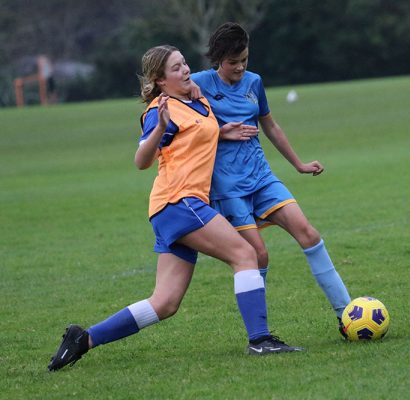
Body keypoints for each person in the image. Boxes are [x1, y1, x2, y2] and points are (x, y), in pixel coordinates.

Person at [48, 45, 302, 372]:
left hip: (173, 208)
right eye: (176, 68)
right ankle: (260, 340)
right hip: (180, 202)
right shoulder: (160, 110)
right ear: (160, 80)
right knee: (246, 254)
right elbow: (141, 160)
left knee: (165, 303)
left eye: (185, 64)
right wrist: (157, 128)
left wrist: (221, 131)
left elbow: (195, 136)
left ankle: (83, 339)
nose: (185, 70)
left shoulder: (196, 101)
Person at [190, 23, 352, 337]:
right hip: (226, 187)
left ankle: (346, 315)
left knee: (308, 233)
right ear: (217, 59)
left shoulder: (255, 82)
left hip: (261, 176)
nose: (239, 67)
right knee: (258, 254)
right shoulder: (199, 83)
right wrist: (217, 131)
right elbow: (173, 113)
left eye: (244, 60)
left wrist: (299, 164)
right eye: (233, 62)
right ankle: (260, 333)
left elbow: (271, 127)